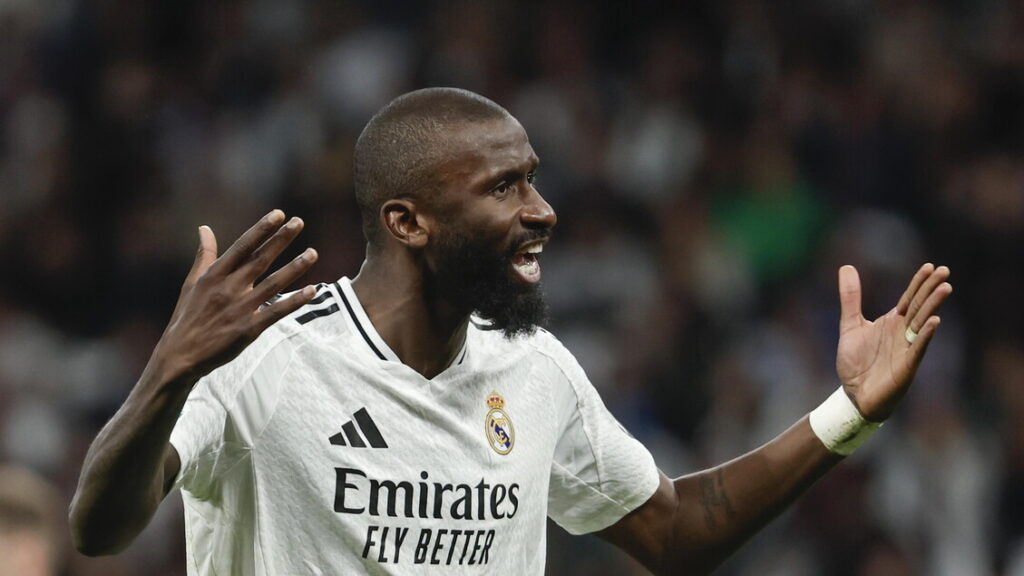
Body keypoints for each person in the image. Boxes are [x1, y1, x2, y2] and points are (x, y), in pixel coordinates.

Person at [69, 88, 952, 575]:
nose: (543, 210)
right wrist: (168, 372)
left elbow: (678, 532)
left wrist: (849, 414)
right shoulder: (266, 357)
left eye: (532, 179)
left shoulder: (534, 370)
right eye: (505, 188)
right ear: (408, 222)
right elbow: (100, 529)